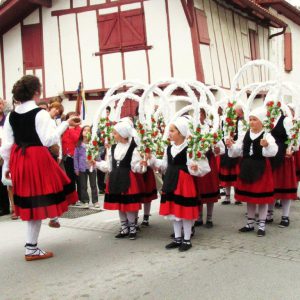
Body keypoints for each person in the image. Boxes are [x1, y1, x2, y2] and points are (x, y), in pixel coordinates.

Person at [0, 75, 80, 261]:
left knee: (31, 202)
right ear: (36, 92)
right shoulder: (40, 113)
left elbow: (7, 145)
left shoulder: (12, 115)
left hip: (19, 157)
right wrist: (66, 125)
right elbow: (48, 140)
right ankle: (32, 246)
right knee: (44, 196)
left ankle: (35, 240)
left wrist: (7, 166)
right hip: (36, 158)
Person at [153, 116, 211, 252]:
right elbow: (165, 165)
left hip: (184, 182)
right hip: (171, 180)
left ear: (181, 132)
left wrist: (196, 168)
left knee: (184, 211)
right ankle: (177, 238)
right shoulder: (169, 148)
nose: (169, 133)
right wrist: (153, 161)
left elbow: (204, 167)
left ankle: (187, 239)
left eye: (172, 131)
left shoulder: (191, 148)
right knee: (174, 210)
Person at [226, 107, 278, 237]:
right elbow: (238, 150)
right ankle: (250, 223)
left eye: (254, 120)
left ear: (261, 122)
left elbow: (273, 151)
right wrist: (231, 146)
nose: (251, 122)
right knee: (250, 198)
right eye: (250, 119)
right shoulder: (245, 133)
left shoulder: (267, 134)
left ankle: (261, 225)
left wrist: (266, 145)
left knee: (262, 198)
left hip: (260, 167)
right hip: (247, 167)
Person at [94, 118, 145, 240]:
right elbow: (109, 166)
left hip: (128, 178)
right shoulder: (112, 148)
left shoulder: (133, 149)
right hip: (115, 178)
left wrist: (142, 165)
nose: (113, 135)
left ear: (122, 134)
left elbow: (135, 167)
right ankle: (124, 227)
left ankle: (132, 227)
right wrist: (95, 163)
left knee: (128, 205)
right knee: (119, 204)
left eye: (115, 133)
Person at [266, 106, 297, 227]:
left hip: (284, 156)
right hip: (271, 156)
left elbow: (293, 136)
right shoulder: (268, 121)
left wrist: (291, 149)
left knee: (284, 187)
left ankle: (285, 216)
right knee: (271, 186)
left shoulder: (285, 120)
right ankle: (269, 214)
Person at [74, 125, 99, 208]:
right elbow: (76, 157)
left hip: (92, 167)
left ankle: (95, 201)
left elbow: (97, 155)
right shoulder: (79, 144)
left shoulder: (93, 143)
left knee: (93, 185)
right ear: (81, 132)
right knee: (83, 186)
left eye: (88, 130)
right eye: (84, 130)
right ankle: (85, 201)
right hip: (82, 168)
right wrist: (76, 168)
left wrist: (98, 162)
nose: (86, 132)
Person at [61, 111, 82, 201]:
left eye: (74, 118)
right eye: (70, 118)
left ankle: (81, 198)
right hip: (67, 156)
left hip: (77, 157)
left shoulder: (79, 129)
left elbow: (77, 140)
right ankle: (72, 198)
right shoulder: (63, 129)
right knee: (69, 178)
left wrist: (71, 129)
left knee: (79, 178)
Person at [97, 106, 111, 194]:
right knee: (100, 167)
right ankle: (101, 187)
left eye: (107, 112)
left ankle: (108, 186)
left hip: (109, 148)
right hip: (101, 148)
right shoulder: (98, 124)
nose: (106, 113)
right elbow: (95, 136)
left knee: (109, 166)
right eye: (105, 111)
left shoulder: (111, 123)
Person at [0, 98, 10, 217]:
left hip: (5, 151)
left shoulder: (7, 119)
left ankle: (6, 207)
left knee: (5, 178)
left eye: (1, 104)